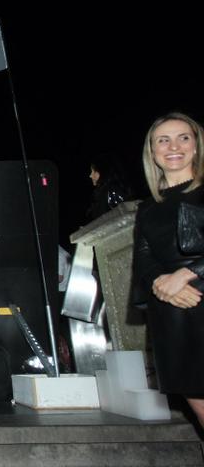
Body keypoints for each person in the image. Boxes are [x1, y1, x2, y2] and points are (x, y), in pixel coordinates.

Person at [132, 111, 204, 428]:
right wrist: (162, 283)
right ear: (153, 151)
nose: (173, 146)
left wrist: (186, 275)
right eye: (164, 140)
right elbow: (144, 259)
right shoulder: (148, 207)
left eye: (183, 137)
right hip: (174, 313)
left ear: (197, 145)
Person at [86, 153, 134, 222]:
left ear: (99, 173)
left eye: (92, 171)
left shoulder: (112, 191)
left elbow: (124, 218)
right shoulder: (100, 194)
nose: (90, 175)